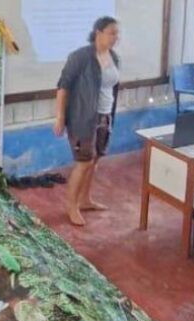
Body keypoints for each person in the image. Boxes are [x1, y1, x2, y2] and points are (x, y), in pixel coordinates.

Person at [54, 16, 120, 227]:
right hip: (83, 118)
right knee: (83, 162)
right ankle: (71, 206)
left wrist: (109, 115)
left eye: (117, 34)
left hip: (105, 116)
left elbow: (110, 87)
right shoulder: (81, 57)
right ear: (98, 32)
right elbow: (63, 86)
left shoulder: (114, 58)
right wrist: (60, 117)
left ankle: (85, 200)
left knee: (95, 160)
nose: (115, 37)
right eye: (112, 33)